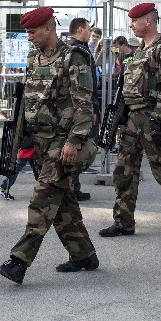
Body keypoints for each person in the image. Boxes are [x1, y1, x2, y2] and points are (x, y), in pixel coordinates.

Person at [0, 7, 99, 285]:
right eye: (27, 32)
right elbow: (30, 101)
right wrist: (20, 133)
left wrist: (74, 141)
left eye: (32, 32)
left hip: (62, 142)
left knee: (42, 199)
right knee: (63, 202)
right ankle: (84, 255)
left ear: (48, 28)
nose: (29, 38)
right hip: (40, 142)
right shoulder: (34, 58)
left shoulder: (72, 57)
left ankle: (19, 261)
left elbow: (84, 105)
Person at [99, 2, 161, 239]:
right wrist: (122, 119)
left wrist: (158, 119)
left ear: (148, 21)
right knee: (124, 171)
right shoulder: (138, 51)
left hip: (153, 118)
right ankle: (123, 222)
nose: (131, 25)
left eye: (134, 20)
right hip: (133, 119)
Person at [65, 17, 100, 200]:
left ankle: (73, 187)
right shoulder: (77, 51)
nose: (91, 33)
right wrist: (91, 110)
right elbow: (84, 88)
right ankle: (72, 189)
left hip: (79, 109)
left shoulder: (74, 49)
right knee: (79, 148)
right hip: (82, 110)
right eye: (88, 29)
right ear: (80, 30)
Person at [0, 134, 38, 201]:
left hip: (30, 143)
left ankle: (43, 188)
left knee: (36, 167)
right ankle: (3, 187)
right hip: (28, 144)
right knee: (18, 167)